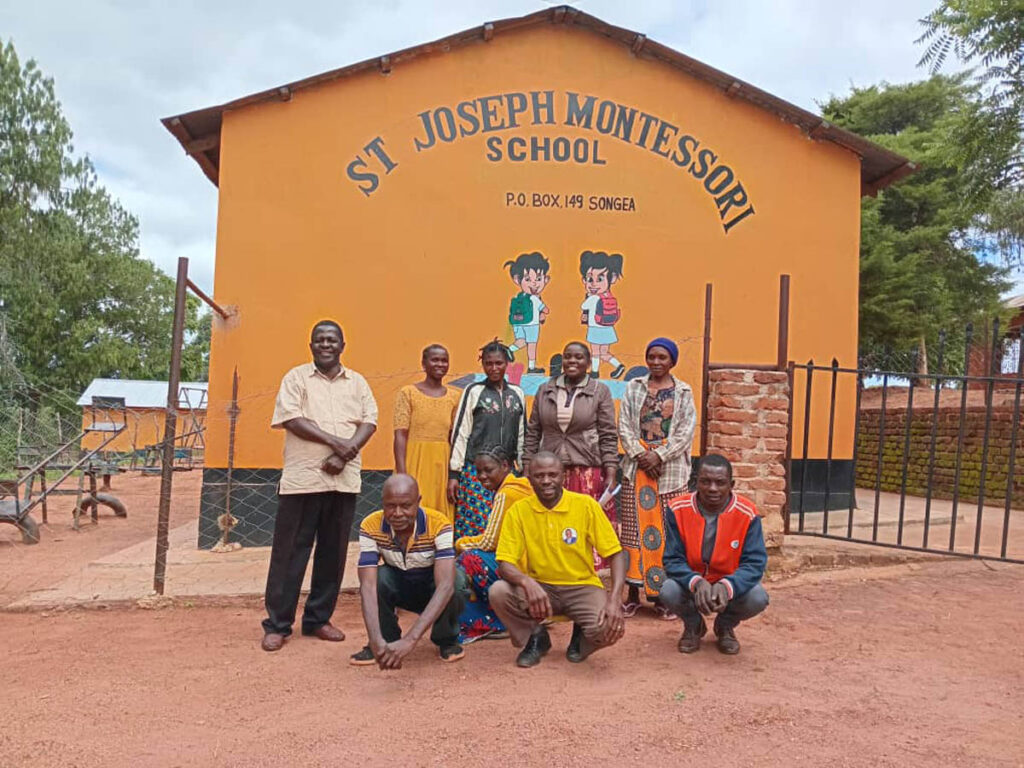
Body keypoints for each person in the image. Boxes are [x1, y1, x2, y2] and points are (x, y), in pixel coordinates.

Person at [261, 320, 378, 652]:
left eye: (332, 340)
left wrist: (345, 453)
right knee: (290, 554)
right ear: (311, 345)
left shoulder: (358, 383)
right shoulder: (296, 378)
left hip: (343, 480)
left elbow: (370, 421)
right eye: (319, 340)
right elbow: (292, 419)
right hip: (302, 480)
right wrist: (337, 443)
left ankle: (317, 619)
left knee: (332, 552)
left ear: (343, 345)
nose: (326, 345)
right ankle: (278, 624)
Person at [489, 451, 626, 668]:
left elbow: (615, 553)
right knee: (498, 591)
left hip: (582, 587)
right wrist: (527, 582)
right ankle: (536, 637)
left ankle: (582, 640)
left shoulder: (585, 506)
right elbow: (504, 562)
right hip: (541, 590)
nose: (546, 481)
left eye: (552, 475)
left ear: (563, 476)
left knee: (612, 626)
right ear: (529, 478)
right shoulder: (518, 511)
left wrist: (615, 598)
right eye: (539, 476)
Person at [349, 474, 470, 668]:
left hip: (433, 589)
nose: (397, 513)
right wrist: (374, 639)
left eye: (406, 506)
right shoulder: (370, 525)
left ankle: (446, 639)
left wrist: (411, 639)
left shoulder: (439, 524)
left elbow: (445, 586)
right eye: (390, 506)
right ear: (382, 503)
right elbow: (368, 586)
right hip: (399, 584)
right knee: (378, 578)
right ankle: (384, 643)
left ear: (418, 502)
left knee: (456, 582)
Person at [618, 337, 697, 619]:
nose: (656, 362)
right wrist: (641, 455)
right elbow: (625, 425)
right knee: (633, 533)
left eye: (662, 357)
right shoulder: (634, 387)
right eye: (651, 356)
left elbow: (685, 432)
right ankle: (633, 593)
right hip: (635, 470)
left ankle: (664, 595)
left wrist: (659, 456)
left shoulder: (684, 392)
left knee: (667, 533)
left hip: (670, 474)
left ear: (672, 361)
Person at [659, 454, 769, 655]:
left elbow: (755, 563)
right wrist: (696, 582)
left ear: (731, 484)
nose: (712, 488)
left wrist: (727, 586)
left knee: (757, 597)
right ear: (695, 482)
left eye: (720, 483)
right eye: (705, 481)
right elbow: (672, 559)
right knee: (668, 590)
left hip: (729, 583)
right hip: (691, 583)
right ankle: (693, 626)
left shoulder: (748, 513)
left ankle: (725, 626)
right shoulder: (677, 509)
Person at [523, 341, 619, 565]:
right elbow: (533, 430)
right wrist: (527, 465)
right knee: (550, 522)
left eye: (578, 357)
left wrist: (611, 471)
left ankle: (589, 574)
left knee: (584, 525)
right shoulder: (545, 389)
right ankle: (552, 568)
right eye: (568, 357)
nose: (572, 361)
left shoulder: (599, 391)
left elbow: (608, 434)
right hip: (550, 470)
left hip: (586, 469)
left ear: (588, 362)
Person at [448, 340, 526, 540]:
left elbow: (521, 432)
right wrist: (454, 473)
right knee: (476, 523)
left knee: (507, 524)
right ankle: (470, 566)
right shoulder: (473, 391)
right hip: (477, 471)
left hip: (508, 471)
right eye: (488, 363)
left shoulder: (517, 393)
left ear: (506, 364)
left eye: (498, 363)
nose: (494, 368)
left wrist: (523, 468)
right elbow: (461, 431)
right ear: (482, 365)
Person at [454, 446, 534, 641]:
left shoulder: (506, 494)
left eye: (488, 470)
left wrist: (458, 544)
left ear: (505, 466)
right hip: (534, 565)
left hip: (521, 568)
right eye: (478, 471)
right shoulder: (524, 487)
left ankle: (498, 620)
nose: (482, 476)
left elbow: (489, 542)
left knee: (469, 559)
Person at [393, 344, 461, 520]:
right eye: (435, 359)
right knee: (413, 510)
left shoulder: (455, 397)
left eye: (444, 360)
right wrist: (402, 474)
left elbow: (454, 437)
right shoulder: (408, 393)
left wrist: (454, 473)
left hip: (442, 463)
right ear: (424, 364)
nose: (440, 364)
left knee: (439, 515)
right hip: (414, 460)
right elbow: (400, 435)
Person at [579, 250, 626, 379]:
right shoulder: (608, 296)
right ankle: (618, 365)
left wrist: (588, 296)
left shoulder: (594, 298)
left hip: (596, 329)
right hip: (608, 328)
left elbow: (583, 306)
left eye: (599, 279)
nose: (593, 283)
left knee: (595, 352)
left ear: (613, 278)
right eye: (590, 279)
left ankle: (594, 372)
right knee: (604, 353)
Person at [504, 251, 551, 374]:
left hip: (518, 323)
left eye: (538, 279)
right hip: (531, 324)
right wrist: (544, 312)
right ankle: (531, 367)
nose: (534, 283)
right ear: (517, 280)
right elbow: (546, 309)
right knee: (531, 344)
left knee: (521, 341)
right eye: (528, 279)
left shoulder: (520, 296)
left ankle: (509, 349)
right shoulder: (534, 298)